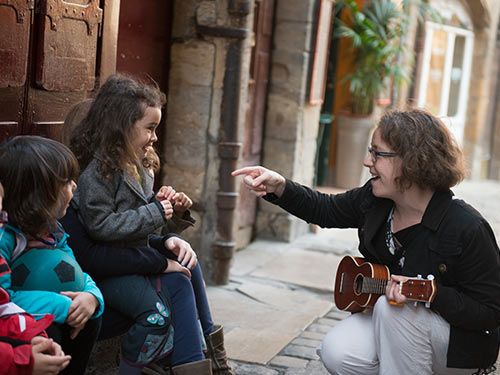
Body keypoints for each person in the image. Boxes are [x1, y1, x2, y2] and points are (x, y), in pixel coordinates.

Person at [232, 108, 500, 375]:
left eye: (377, 153)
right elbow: (325, 209)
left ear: (413, 161)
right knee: (337, 351)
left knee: (392, 309)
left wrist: (434, 295)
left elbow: (490, 310)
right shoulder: (376, 202)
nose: (366, 161)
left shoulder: (466, 227)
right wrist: (279, 187)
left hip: (458, 349)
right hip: (396, 327)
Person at [66, 74, 232, 375]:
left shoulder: (141, 165)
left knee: (188, 263)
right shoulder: (97, 174)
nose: (155, 136)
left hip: (131, 258)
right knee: (161, 306)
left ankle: (213, 359)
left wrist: (172, 216)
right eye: (150, 128)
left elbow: (143, 227)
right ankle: (149, 364)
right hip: (111, 270)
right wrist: (156, 212)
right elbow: (102, 227)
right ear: (121, 127)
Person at [0, 137, 104, 375]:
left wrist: (92, 297)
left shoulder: (52, 231)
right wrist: (62, 306)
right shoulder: (6, 238)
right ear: (39, 194)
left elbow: (77, 271)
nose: (75, 186)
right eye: (66, 182)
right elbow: (4, 302)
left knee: (88, 316)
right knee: (50, 331)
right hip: (17, 326)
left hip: (54, 312)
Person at [0, 181, 71, 375]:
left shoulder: (52, 231)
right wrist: (21, 361)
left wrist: (34, 334)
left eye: (1, 216)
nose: (2, 227)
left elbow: (3, 306)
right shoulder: (6, 240)